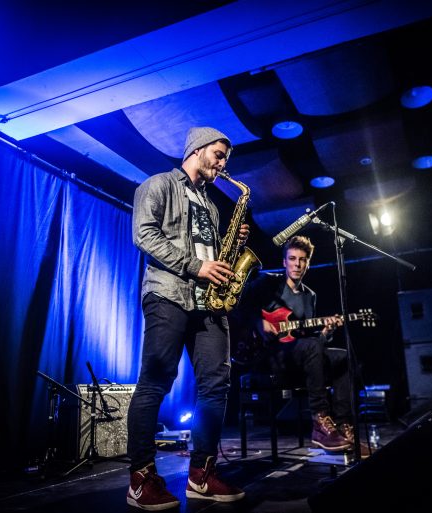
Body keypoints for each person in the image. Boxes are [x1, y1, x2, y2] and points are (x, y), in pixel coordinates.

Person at [126, 126, 249, 510]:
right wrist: (196, 266)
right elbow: (144, 235)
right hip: (167, 296)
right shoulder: (158, 184)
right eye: (218, 154)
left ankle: (201, 474)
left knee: (217, 385)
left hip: (208, 305)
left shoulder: (212, 205)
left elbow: (212, 257)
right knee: (156, 381)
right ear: (196, 150)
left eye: (226, 157)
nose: (223, 163)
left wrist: (232, 249)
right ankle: (141, 478)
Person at [241, 235, 357, 453]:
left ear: (308, 263)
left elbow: (311, 342)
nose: (297, 264)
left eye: (302, 259)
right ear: (284, 262)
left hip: (299, 358)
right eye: (292, 259)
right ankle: (320, 421)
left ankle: (342, 426)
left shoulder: (310, 296)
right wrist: (260, 322)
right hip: (268, 356)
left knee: (344, 356)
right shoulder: (268, 283)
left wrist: (326, 332)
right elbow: (239, 306)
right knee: (312, 347)